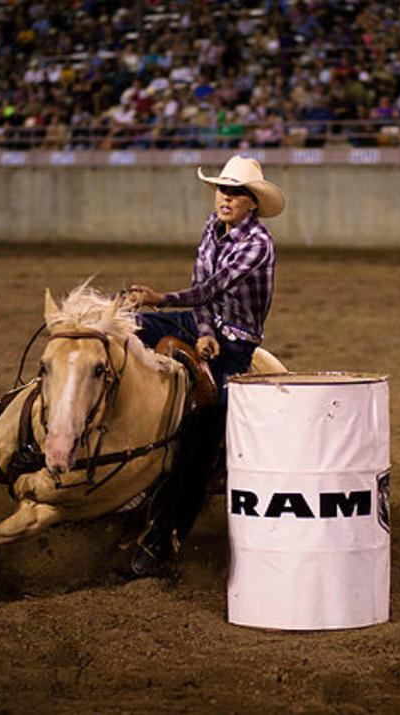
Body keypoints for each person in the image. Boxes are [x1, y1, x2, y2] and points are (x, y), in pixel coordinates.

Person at [125, 155, 286, 577]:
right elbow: (203, 295)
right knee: (124, 326)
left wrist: (163, 299)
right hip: (205, 326)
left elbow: (212, 286)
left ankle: (165, 537)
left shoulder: (257, 244)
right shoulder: (210, 228)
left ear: (253, 203)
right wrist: (200, 332)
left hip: (236, 344)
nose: (226, 198)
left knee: (206, 424)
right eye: (222, 189)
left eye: (236, 193)